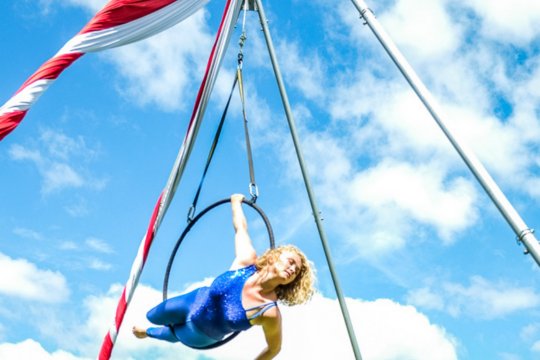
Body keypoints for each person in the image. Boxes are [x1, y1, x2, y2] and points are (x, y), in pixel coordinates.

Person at [133, 194, 315, 359]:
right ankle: (151, 327)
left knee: (173, 334)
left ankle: (147, 333)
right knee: (153, 315)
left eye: (297, 272)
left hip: (202, 334)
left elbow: (274, 348)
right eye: (291, 262)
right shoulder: (247, 261)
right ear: (276, 255)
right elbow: (240, 228)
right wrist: (236, 202)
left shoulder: (268, 312)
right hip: (192, 301)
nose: (293, 269)